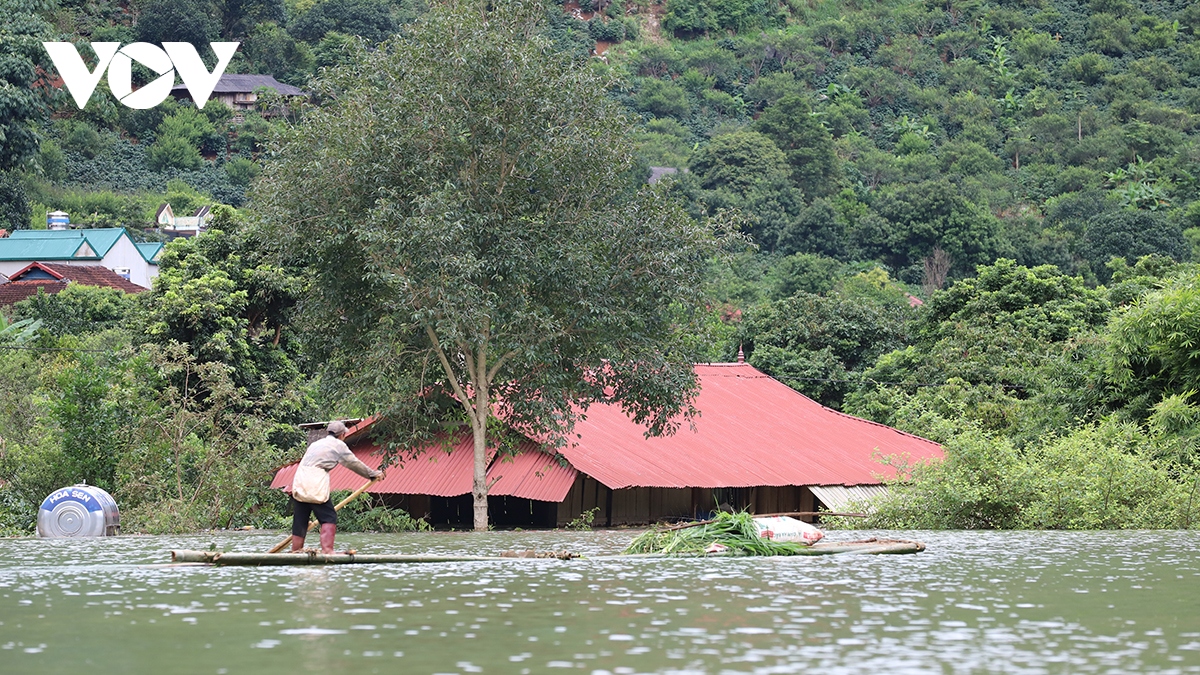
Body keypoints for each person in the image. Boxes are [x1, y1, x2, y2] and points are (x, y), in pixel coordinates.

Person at [290, 420, 382, 553]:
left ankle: (296, 550)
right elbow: (353, 463)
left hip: (300, 479)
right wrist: (372, 474)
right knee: (329, 517)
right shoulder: (339, 445)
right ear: (342, 435)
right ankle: (327, 551)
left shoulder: (316, 444)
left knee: (300, 517)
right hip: (314, 480)